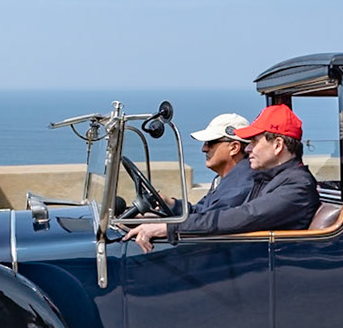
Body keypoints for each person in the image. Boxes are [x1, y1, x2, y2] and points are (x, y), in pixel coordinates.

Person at [128, 104, 319, 250]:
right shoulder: (270, 177)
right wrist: (170, 208)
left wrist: (169, 229)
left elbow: (244, 216)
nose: (248, 148)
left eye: (253, 141)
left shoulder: (296, 185)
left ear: (277, 145)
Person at [187, 112, 253, 212]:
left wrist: (169, 227)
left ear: (234, 147)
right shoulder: (223, 179)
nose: (204, 149)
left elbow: (210, 221)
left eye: (210, 143)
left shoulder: (240, 186)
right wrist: (171, 204)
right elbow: (201, 210)